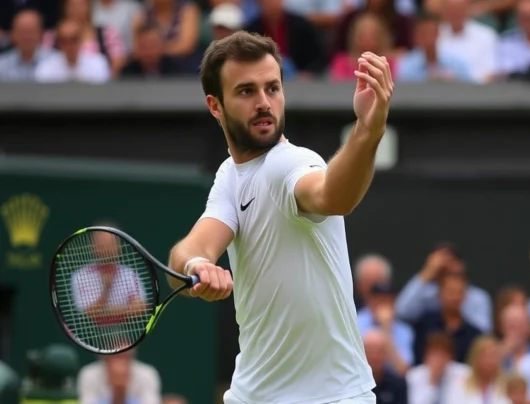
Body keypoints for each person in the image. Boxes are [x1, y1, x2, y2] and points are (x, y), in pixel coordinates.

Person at [166, 31, 394, 404]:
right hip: (251, 396)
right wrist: (197, 264)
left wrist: (368, 131)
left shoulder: (289, 163)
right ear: (215, 105)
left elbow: (332, 195)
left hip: (333, 398)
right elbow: (193, 247)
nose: (263, 103)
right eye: (246, 91)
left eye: (272, 88)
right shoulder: (230, 175)